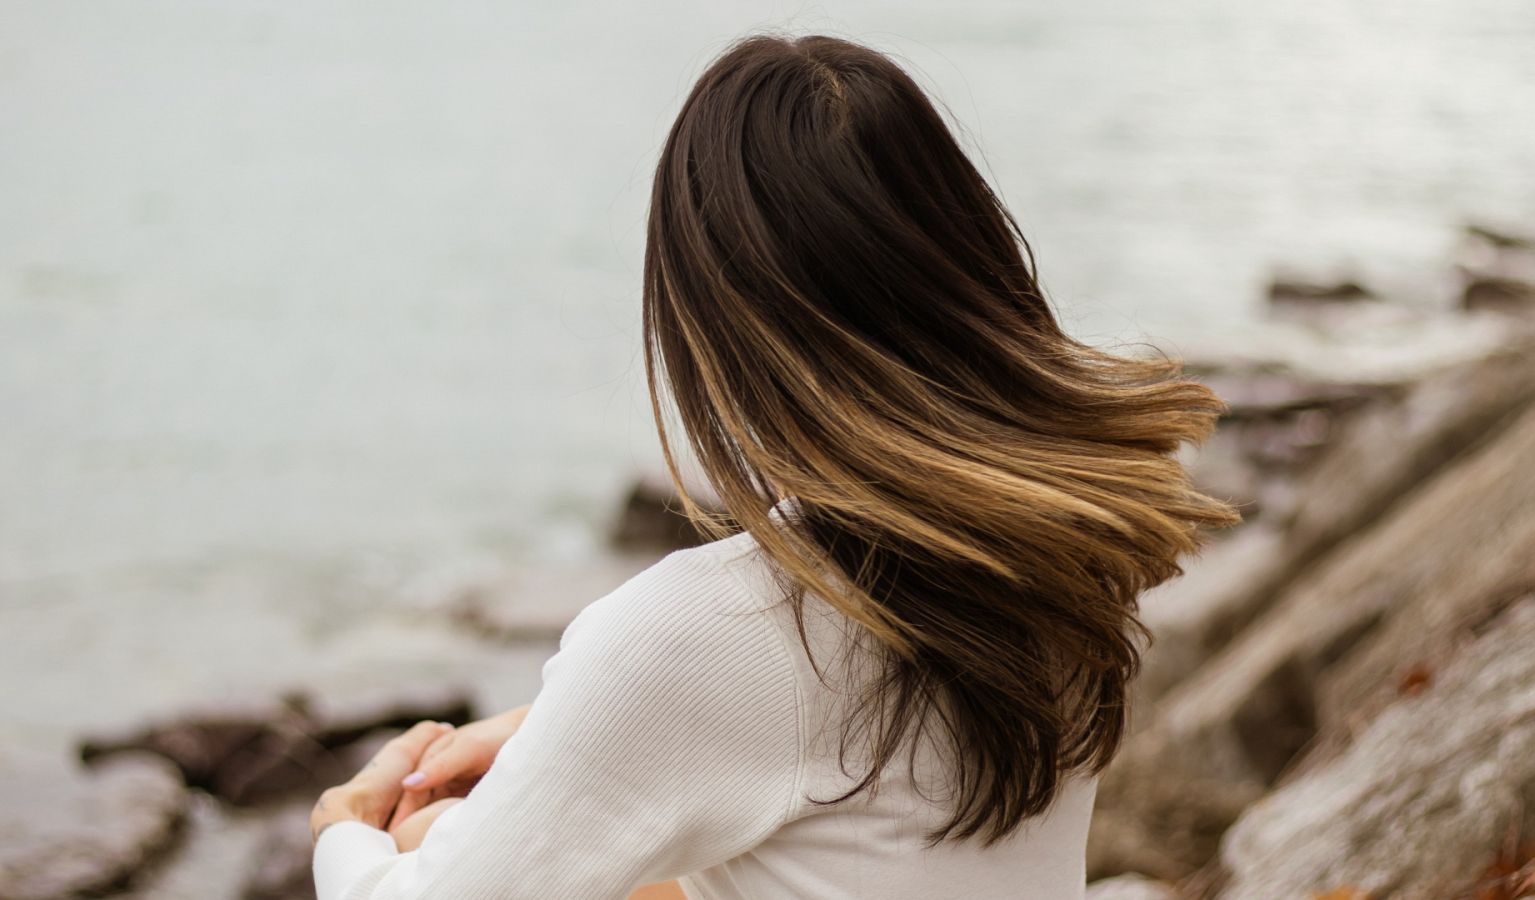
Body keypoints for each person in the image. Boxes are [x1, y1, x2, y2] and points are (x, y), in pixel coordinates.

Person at [309, 33, 1239, 900]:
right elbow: (840, 743)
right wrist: (545, 735)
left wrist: (341, 830)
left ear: (709, 320)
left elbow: (758, 694)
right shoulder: (1055, 543)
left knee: (425, 840)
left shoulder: (715, 630)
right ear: (968, 260)